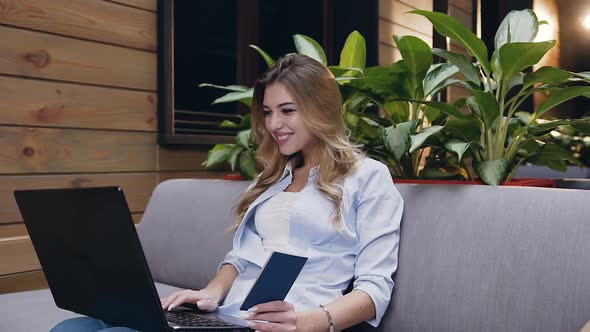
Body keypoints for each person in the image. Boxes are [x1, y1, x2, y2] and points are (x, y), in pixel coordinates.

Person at [51, 53, 403, 332]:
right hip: (229, 318)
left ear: (321, 110)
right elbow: (239, 258)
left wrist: (307, 323)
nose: (274, 125)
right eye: (267, 112)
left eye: (287, 111)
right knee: (71, 327)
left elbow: (374, 290)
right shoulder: (271, 178)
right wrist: (209, 294)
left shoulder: (367, 177)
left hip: (291, 323)